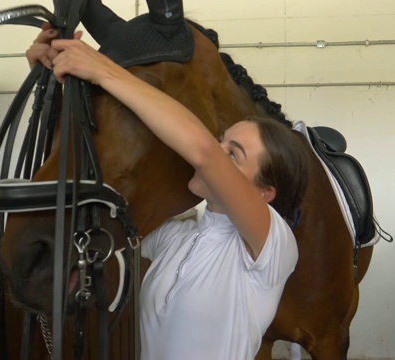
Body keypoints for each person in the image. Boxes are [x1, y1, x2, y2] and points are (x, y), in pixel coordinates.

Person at [26, 19, 309, 360]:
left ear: (265, 194)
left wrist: (103, 71)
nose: (217, 152)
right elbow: (100, 217)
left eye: (233, 154)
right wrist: (53, 82)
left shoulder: (273, 247)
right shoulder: (177, 237)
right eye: (221, 141)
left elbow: (201, 151)